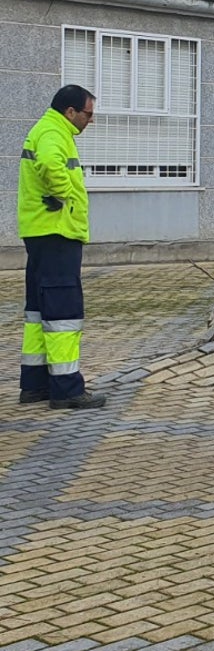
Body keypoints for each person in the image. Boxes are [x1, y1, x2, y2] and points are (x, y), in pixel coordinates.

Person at [17, 85, 105, 409]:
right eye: (88, 114)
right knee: (64, 313)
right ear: (71, 112)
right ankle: (67, 389)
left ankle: (34, 385)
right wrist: (66, 195)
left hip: (41, 233)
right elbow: (51, 166)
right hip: (58, 233)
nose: (90, 120)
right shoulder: (54, 133)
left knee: (38, 312)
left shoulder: (46, 129)